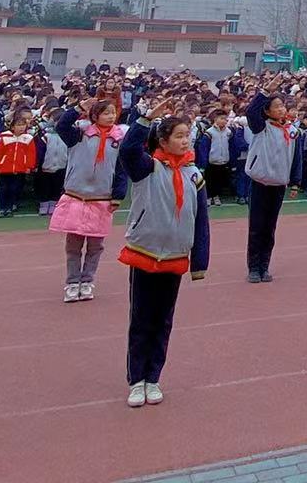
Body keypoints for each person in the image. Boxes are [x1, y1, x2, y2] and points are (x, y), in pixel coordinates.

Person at [117, 99, 210, 407]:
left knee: (163, 320)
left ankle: (154, 377)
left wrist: (199, 261)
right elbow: (128, 151)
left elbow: (201, 221)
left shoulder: (195, 174)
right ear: (163, 140)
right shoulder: (148, 168)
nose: (186, 140)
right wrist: (145, 120)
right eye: (180, 136)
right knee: (141, 319)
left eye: (188, 135)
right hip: (145, 253)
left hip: (175, 256)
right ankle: (137, 380)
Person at [51, 98, 128, 301]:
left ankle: (87, 281)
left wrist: (118, 195)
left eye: (113, 112)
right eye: (106, 113)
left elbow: (121, 169)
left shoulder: (119, 139)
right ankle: (72, 282)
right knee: (73, 244)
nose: (111, 116)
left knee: (95, 246)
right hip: (77, 196)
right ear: (95, 115)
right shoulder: (80, 134)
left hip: (101, 198)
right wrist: (78, 108)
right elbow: (61, 125)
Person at [244, 82, 301, 283]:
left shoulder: (292, 131)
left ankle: (264, 266)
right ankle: (253, 267)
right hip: (260, 183)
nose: (281, 110)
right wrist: (265, 91)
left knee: (270, 227)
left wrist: (295, 182)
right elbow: (251, 111)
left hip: (278, 185)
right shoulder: (261, 127)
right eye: (276, 106)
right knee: (256, 226)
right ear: (267, 111)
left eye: (282, 106)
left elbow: (296, 157)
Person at [0, 110, 38, 217]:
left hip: (20, 169)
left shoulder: (28, 138)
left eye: (23, 125)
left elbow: (31, 154)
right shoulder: (4, 138)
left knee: (14, 189)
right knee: (3, 188)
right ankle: (1, 208)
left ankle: (10, 208)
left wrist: (29, 166)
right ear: (12, 127)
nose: (21, 127)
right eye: (18, 125)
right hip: (4, 169)